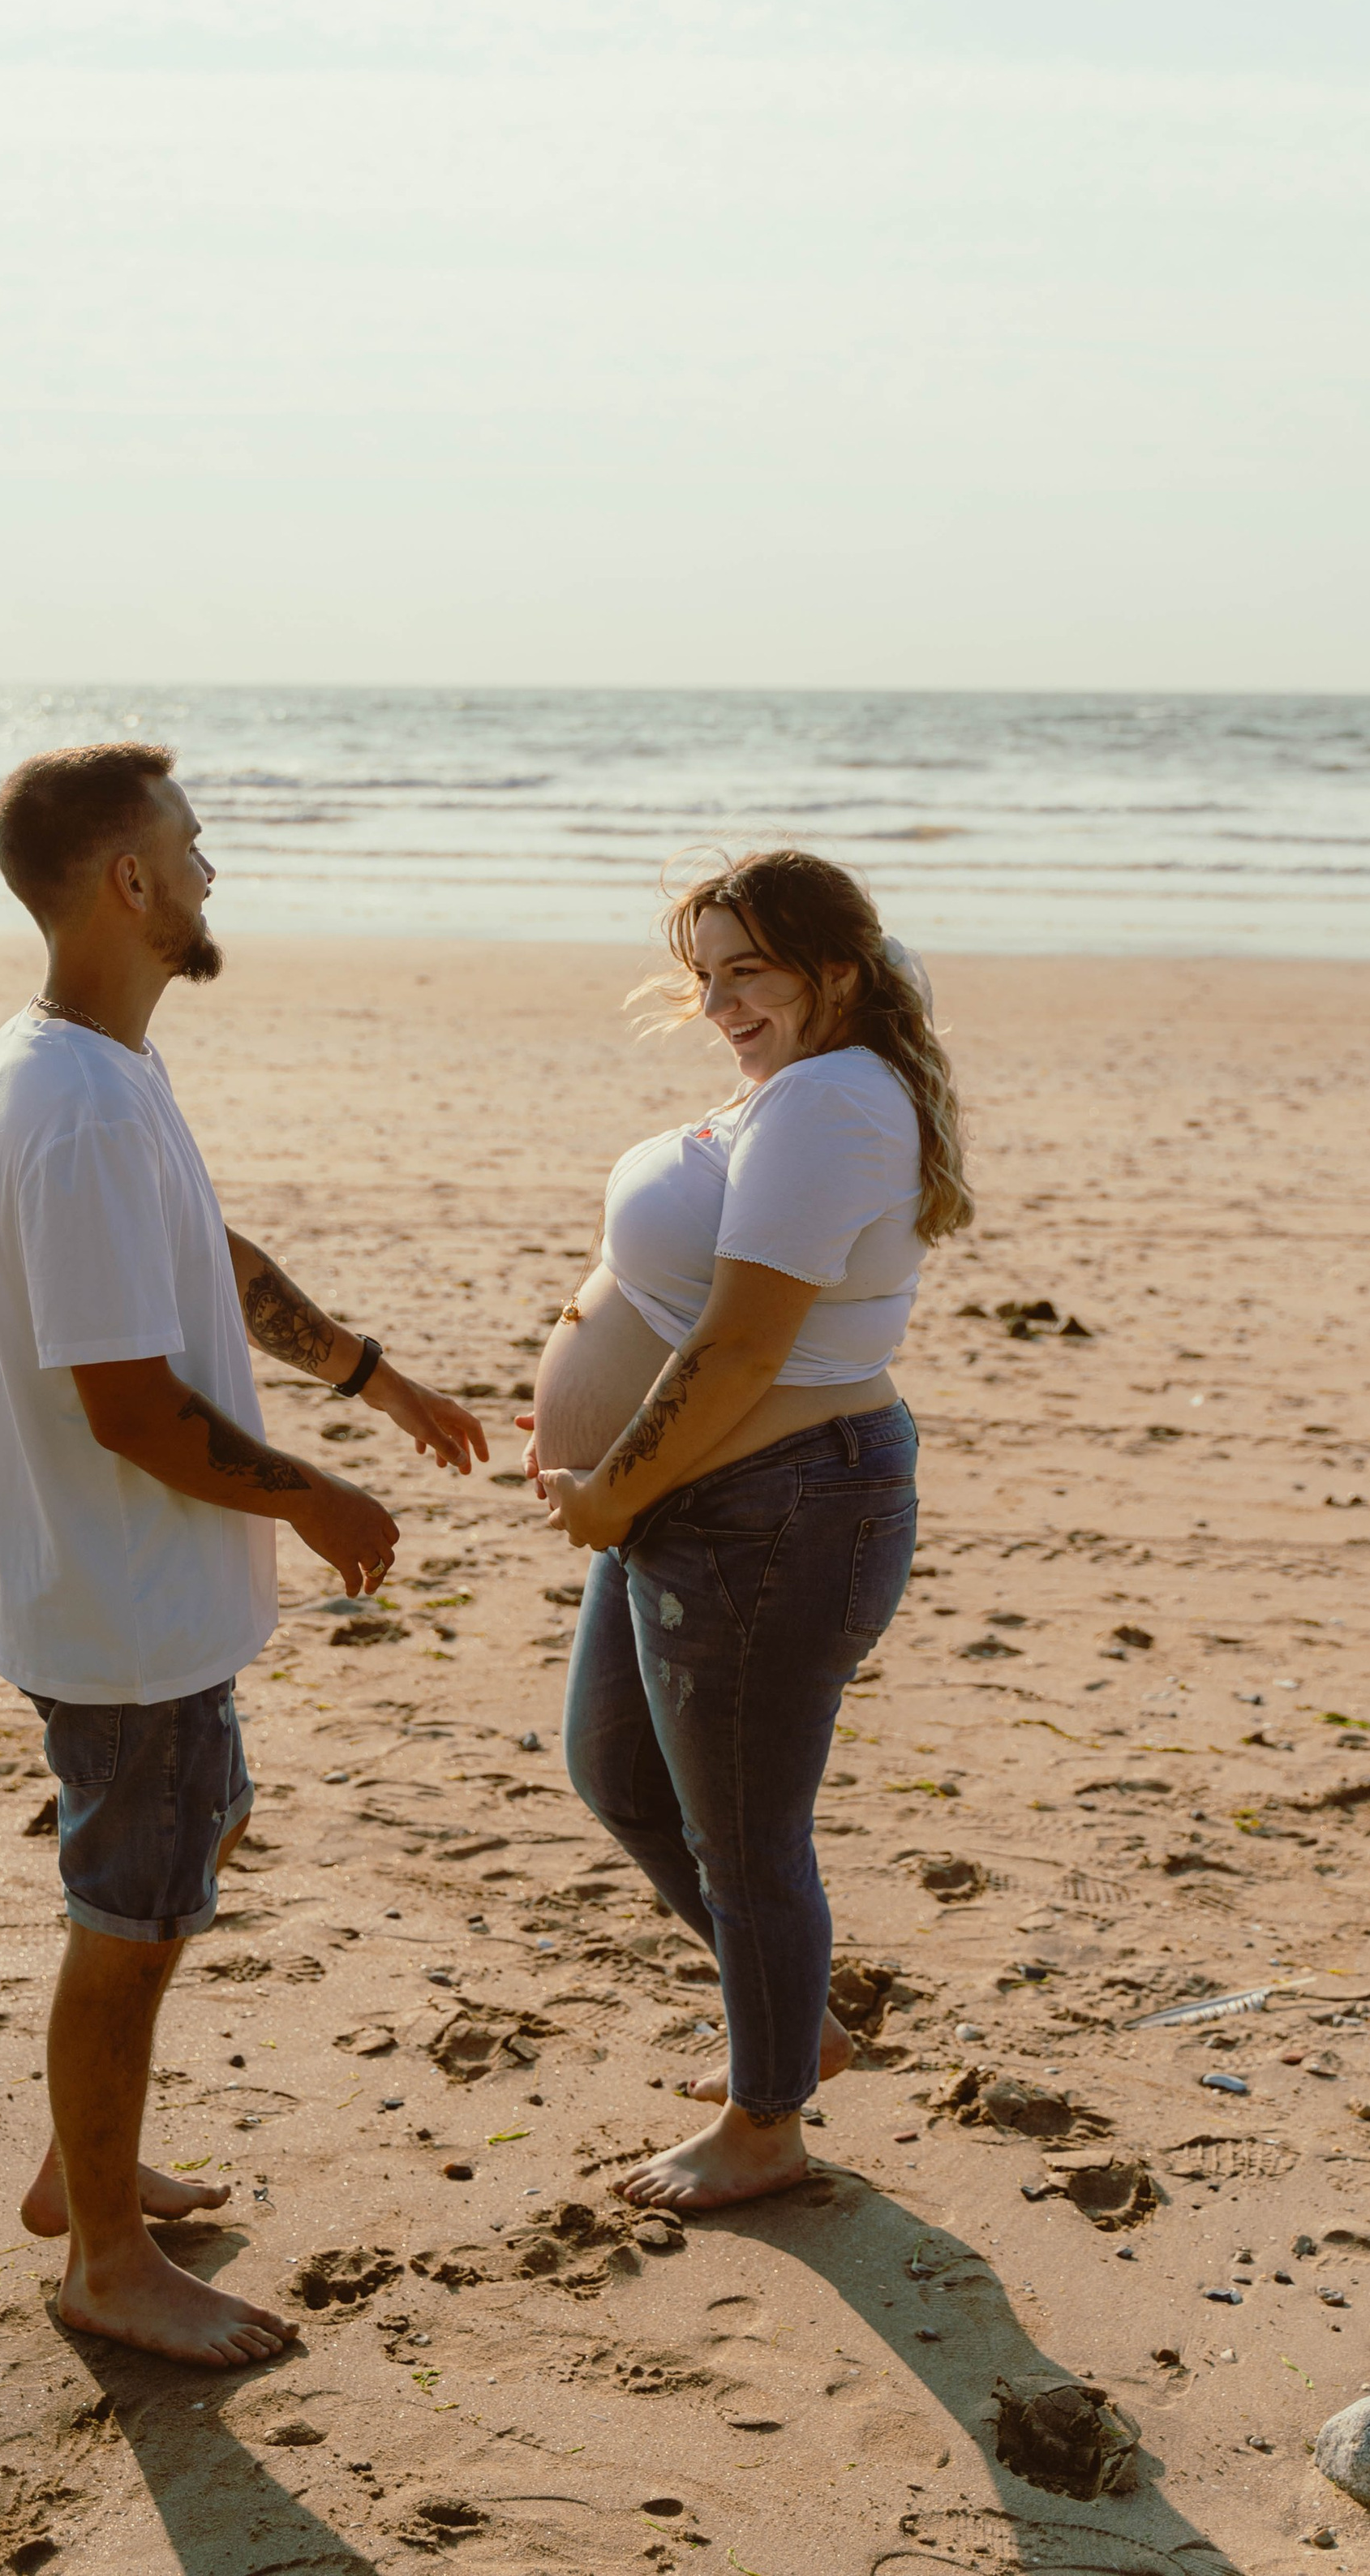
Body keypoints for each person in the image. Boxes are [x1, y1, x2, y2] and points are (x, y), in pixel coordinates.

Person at [0, 740, 487, 2366]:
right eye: (189, 846)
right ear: (127, 881)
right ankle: (105, 2259)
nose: (209, 870)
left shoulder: (98, 1070)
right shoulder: (72, 1110)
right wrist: (311, 1495)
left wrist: (365, 1371)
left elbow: (205, 1249)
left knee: (193, 1843)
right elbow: (127, 1404)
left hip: (133, 1597)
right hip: (126, 1606)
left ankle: (83, 2167)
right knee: (127, 1923)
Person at [528, 849, 972, 2213]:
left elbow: (737, 1347)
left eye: (748, 973)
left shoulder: (834, 1099)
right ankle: (794, 2020)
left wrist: (607, 1491)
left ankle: (767, 2120)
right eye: (704, 975)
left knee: (744, 1830)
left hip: (775, 1509)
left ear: (833, 974)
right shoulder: (797, 1082)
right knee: (616, 1768)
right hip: (709, 1502)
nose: (719, 1002)